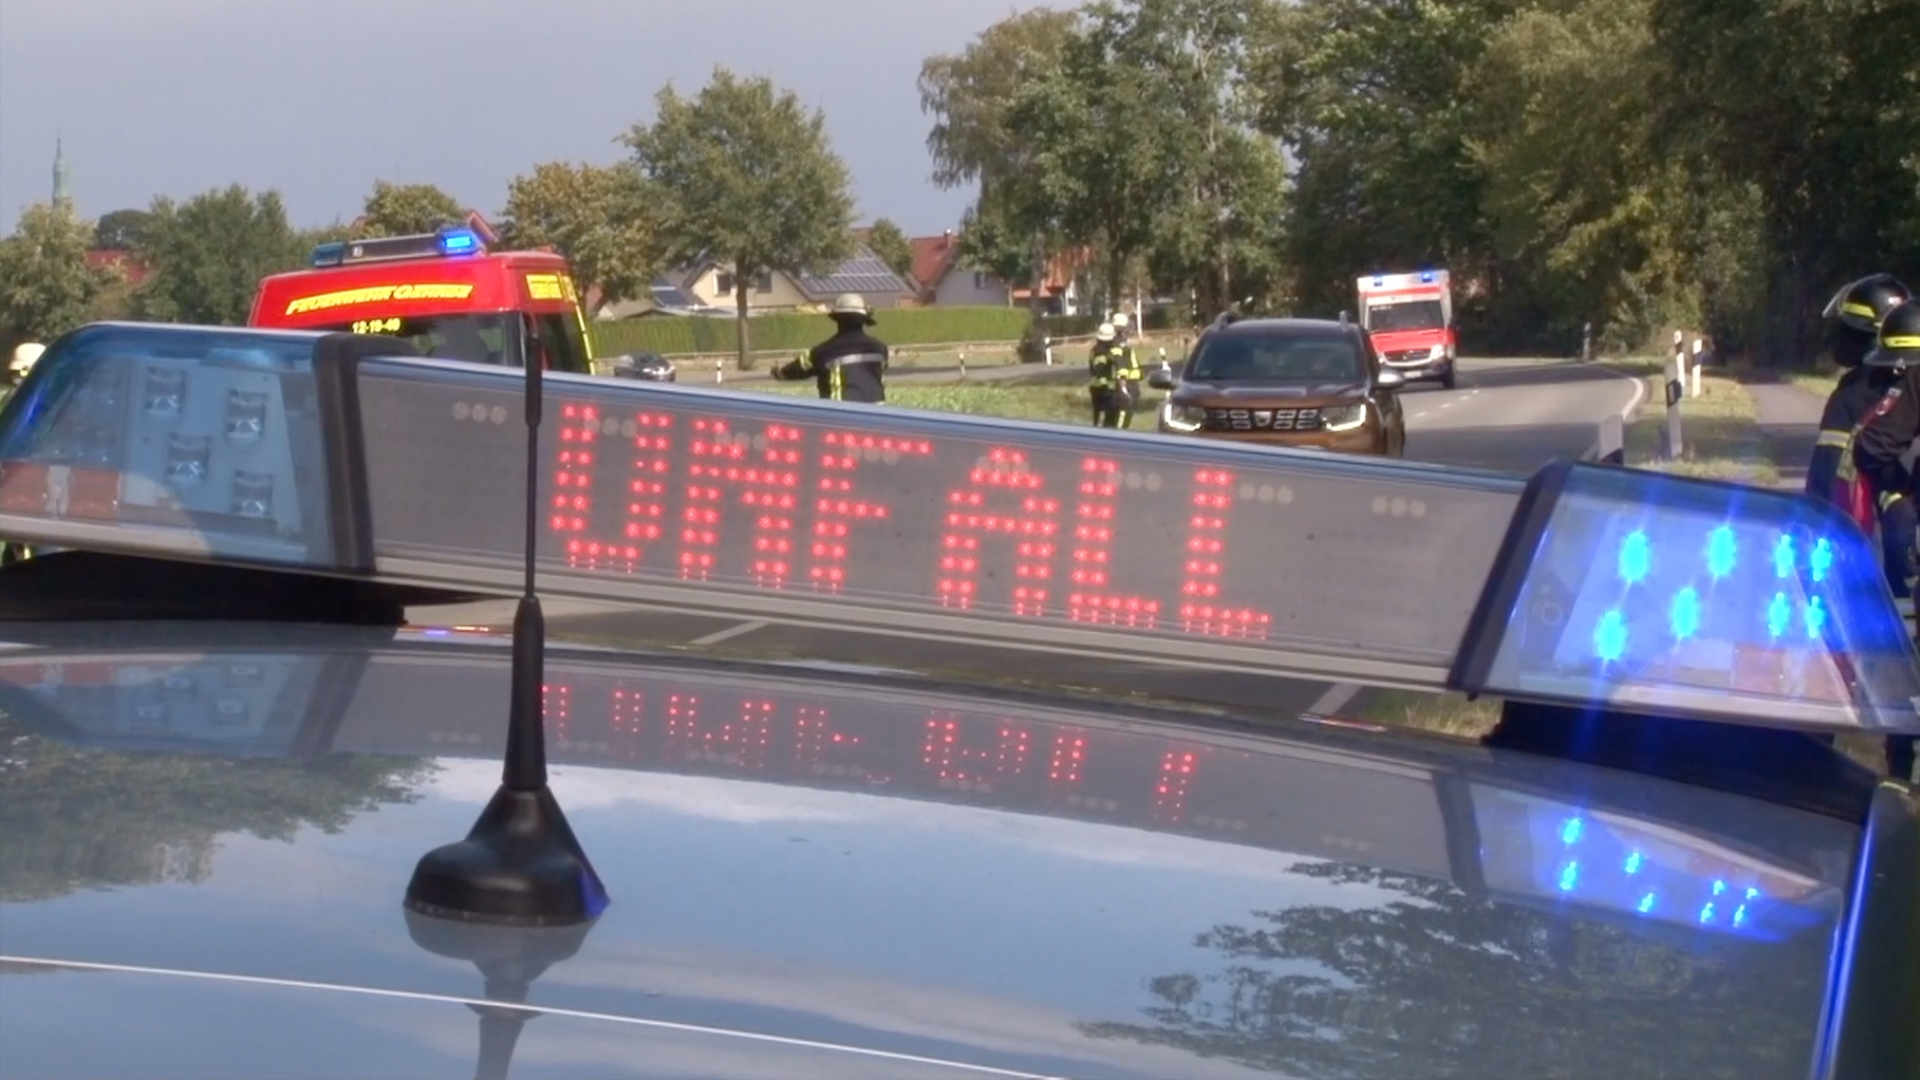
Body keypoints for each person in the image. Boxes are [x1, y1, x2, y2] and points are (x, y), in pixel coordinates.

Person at [1807, 274, 1911, 505]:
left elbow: (1823, 478)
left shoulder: (1852, 394)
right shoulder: (1908, 387)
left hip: (1857, 524)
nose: (1838, 337)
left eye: (1848, 329)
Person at [773, 293, 888, 403]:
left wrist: (778, 373)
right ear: (864, 319)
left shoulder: (823, 352)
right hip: (877, 414)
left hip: (839, 413)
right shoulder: (880, 349)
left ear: (836, 319)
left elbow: (793, 371)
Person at [1111, 312, 1144, 427]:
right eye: (1127, 326)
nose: (1129, 329)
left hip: (1132, 382)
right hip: (1126, 383)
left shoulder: (1124, 342)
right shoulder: (1117, 343)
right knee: (1124, 414)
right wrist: (1123, 388)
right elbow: (1120, 366)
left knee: (1129, 413)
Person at [1087, 322, 1121, 427]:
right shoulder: (1105, 352)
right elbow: (1099, 368)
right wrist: (1110, 360)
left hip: (1095, 387)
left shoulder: (1093, 350)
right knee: (1109, 418)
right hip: (1106, 388)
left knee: (1097, 416)